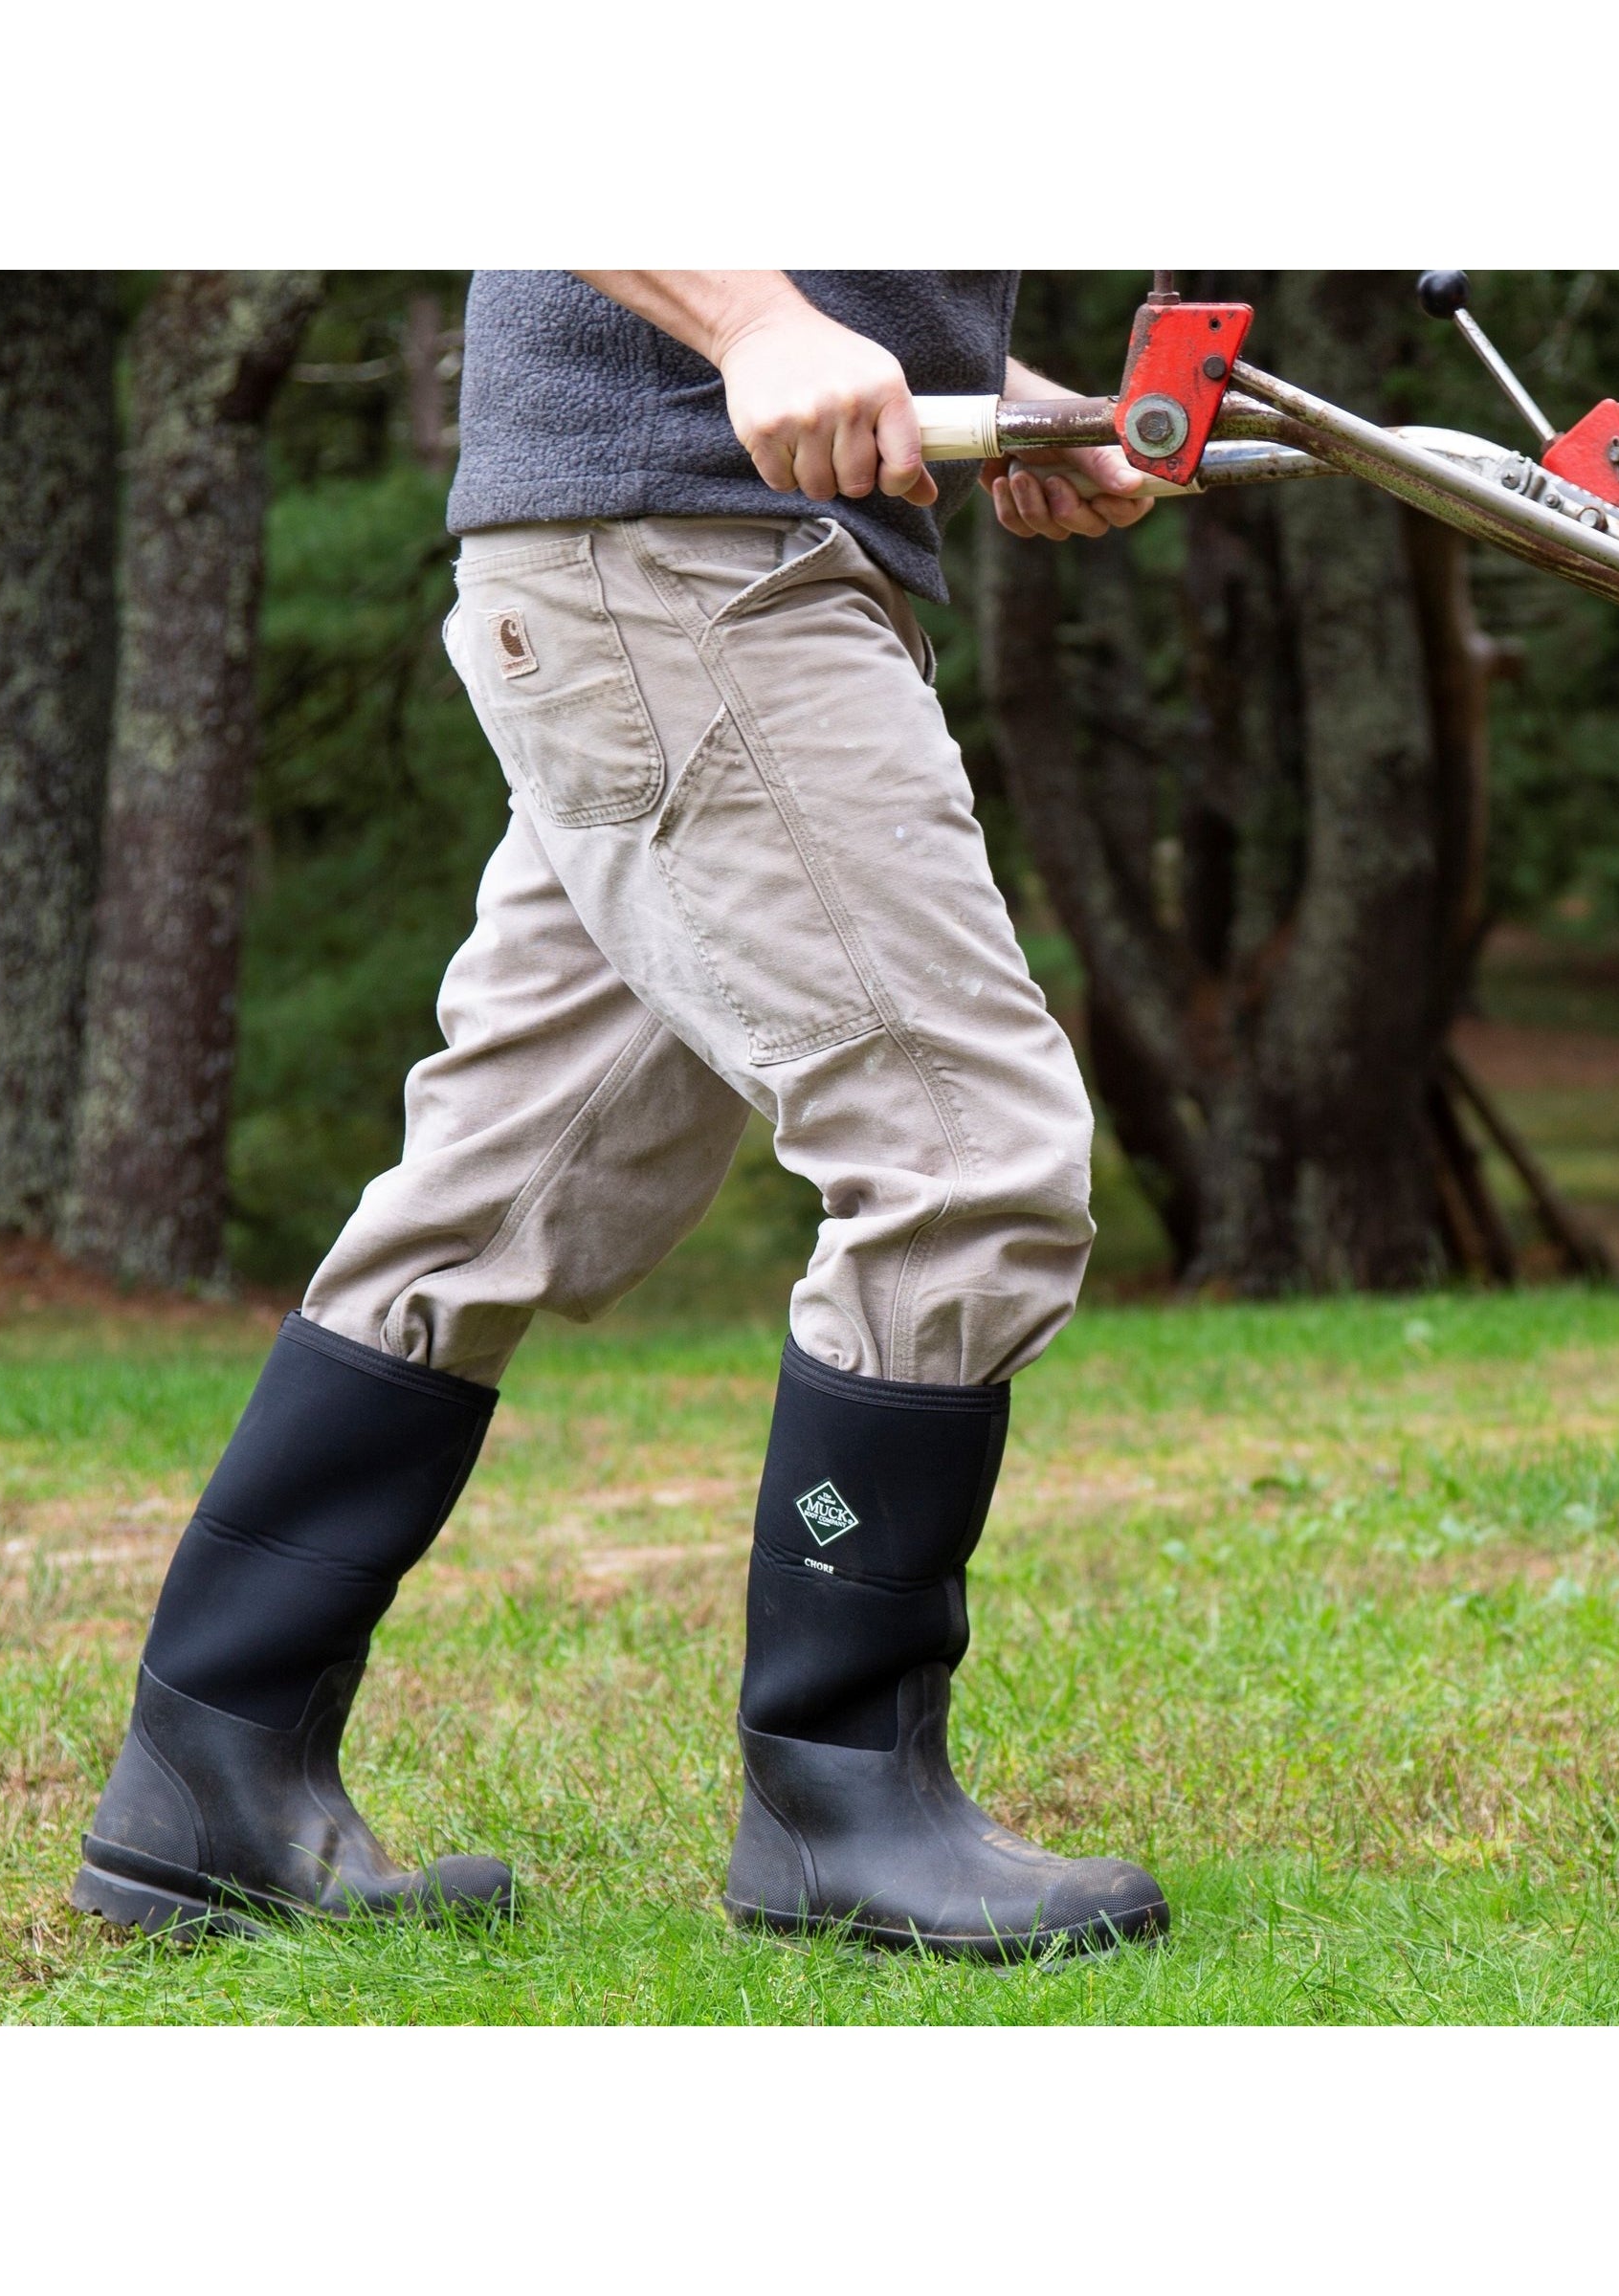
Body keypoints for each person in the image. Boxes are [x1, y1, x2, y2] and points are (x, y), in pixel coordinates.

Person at [70, 271, 1169, 1960]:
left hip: (683, 555)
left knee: (506, 1189)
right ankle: (842, 1796)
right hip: (690, 563)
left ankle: (206, 1773)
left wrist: (989, 386)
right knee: (965, 1161)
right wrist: (751, 328)